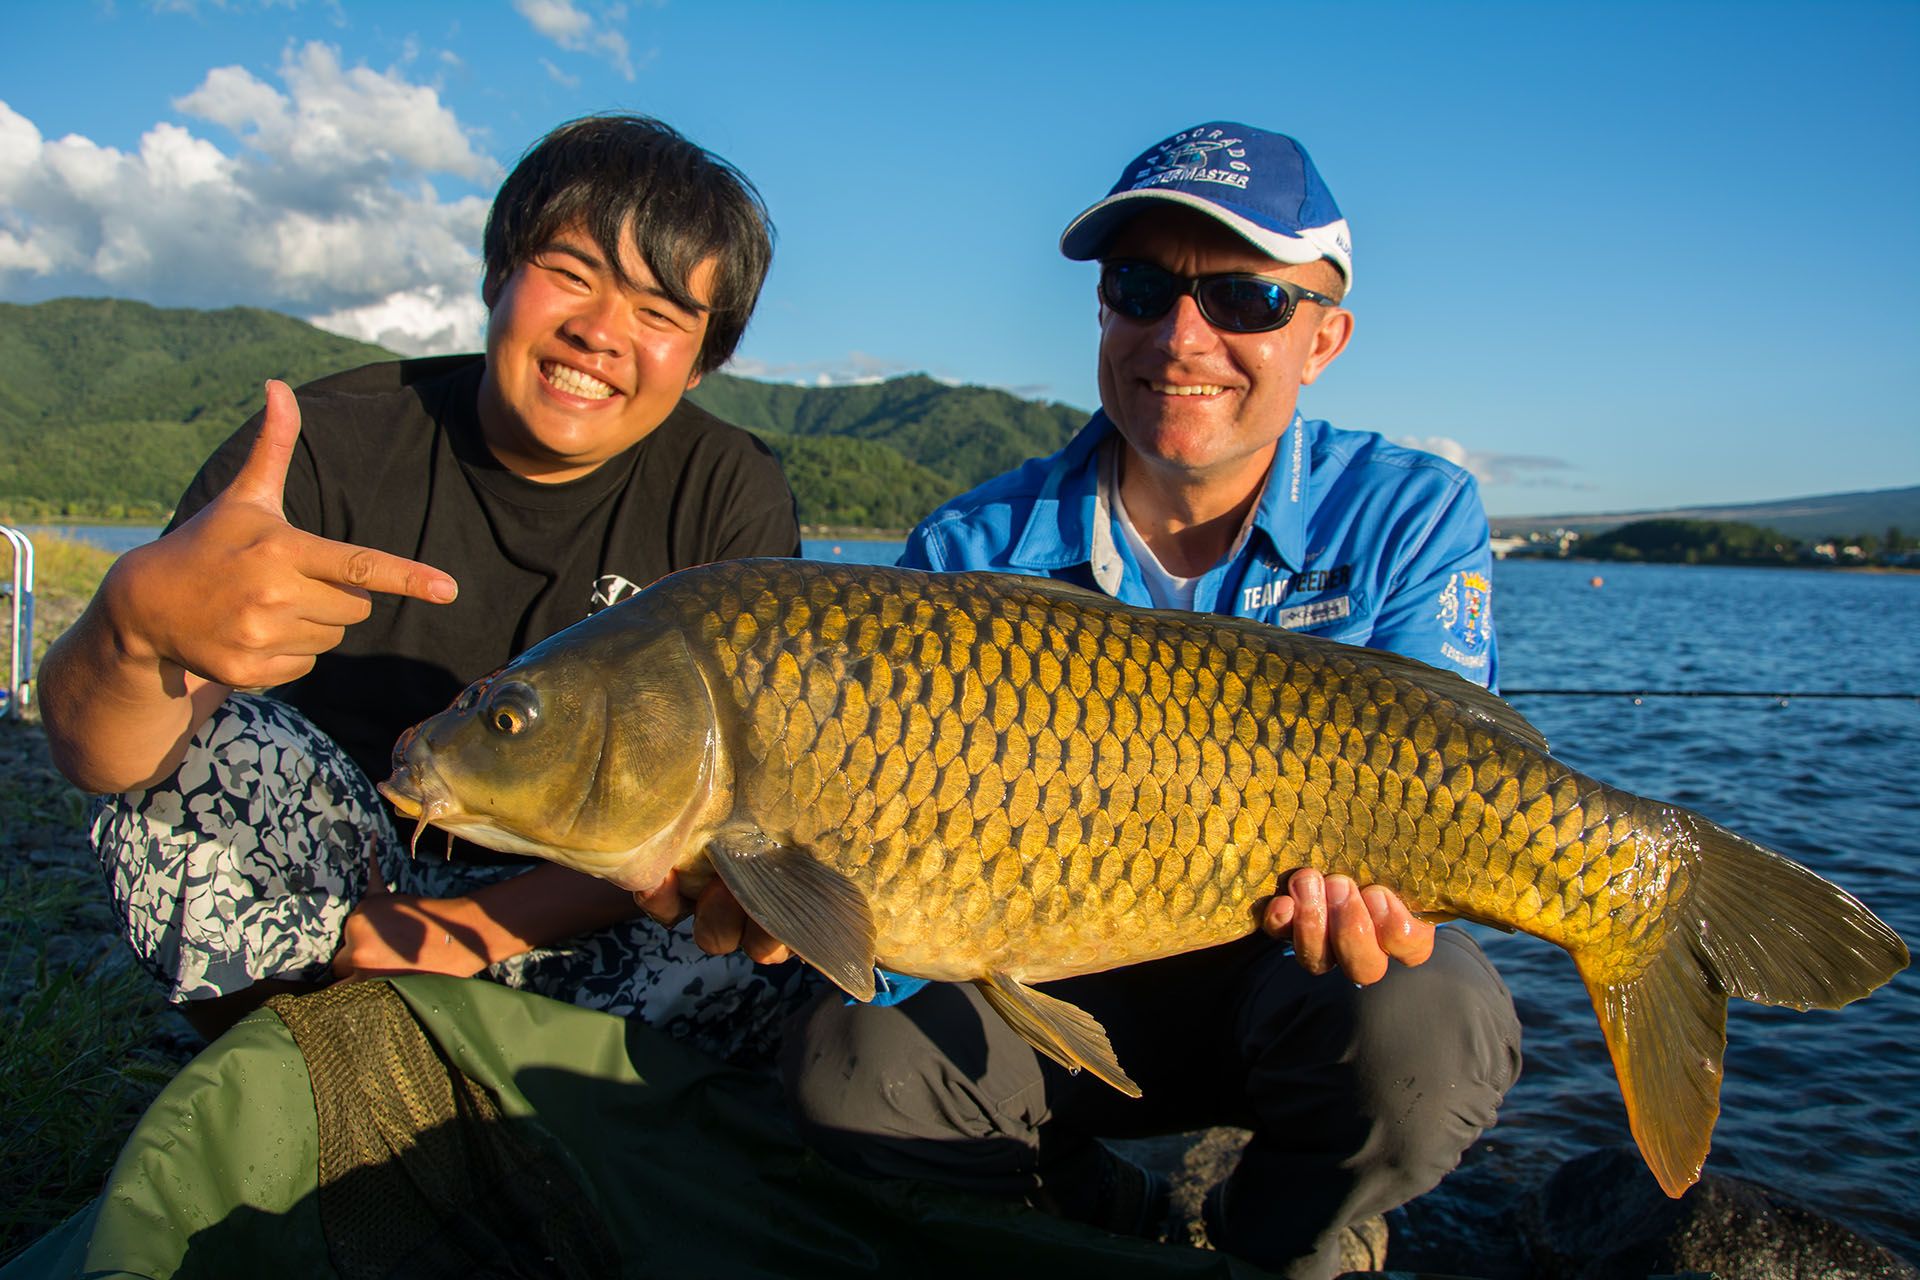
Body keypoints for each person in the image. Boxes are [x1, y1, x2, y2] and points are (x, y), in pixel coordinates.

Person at [775, 122, 1524, 1279]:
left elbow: (1453, 781)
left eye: (1245, 300)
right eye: (1140, 288)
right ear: (1103, 313)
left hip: (1284, 978)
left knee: (1428, 1018)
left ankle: (1294, 1240)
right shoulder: (966, 549)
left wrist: (1390, 905)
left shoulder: (1408, 515)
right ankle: (1080, 1210)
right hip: (1033, 990)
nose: (1184, 337)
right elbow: (888, 917)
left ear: (1326, 337)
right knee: (847, 1055)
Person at [38, 114, 808, 1062]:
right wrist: (128, 629)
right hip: (341, 892)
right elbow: (100, 761)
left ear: (700, 364)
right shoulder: (319, 447)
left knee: (743, 922)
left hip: (585, 908)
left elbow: (715, 813)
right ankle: (297, 1064)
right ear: (496, 277)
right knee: (192, 760)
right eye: (571, 274)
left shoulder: (730, 497)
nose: (601, 333)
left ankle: (534, 1106)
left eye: (659, 314)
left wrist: (468, 934)